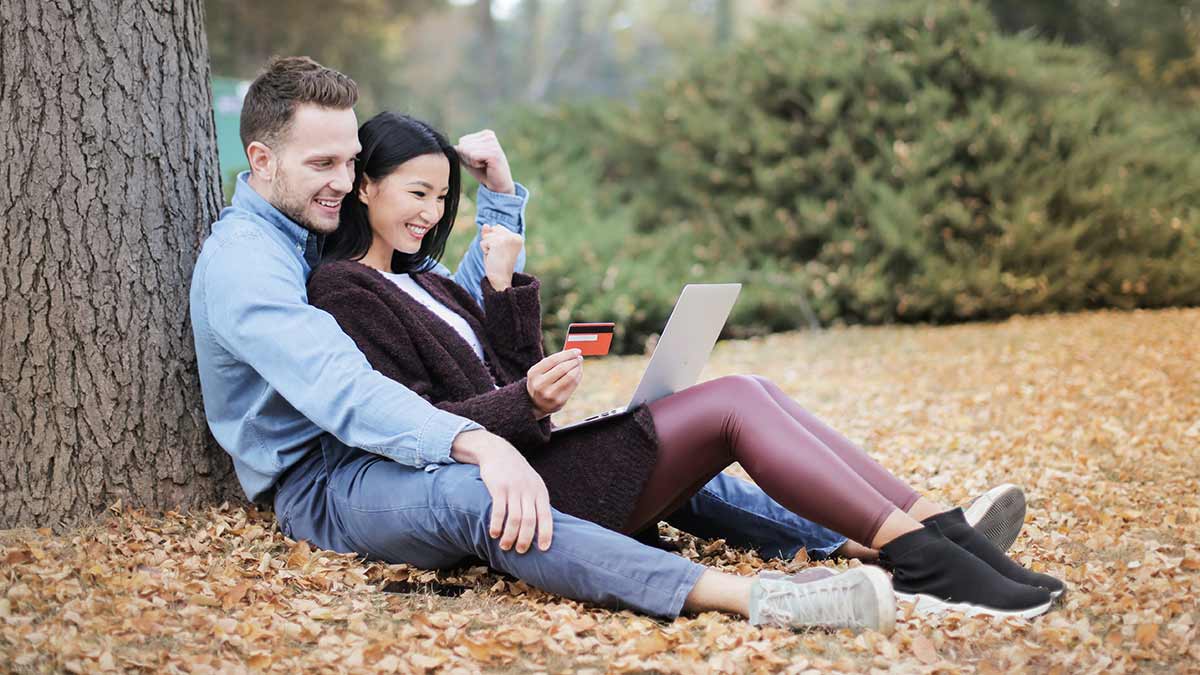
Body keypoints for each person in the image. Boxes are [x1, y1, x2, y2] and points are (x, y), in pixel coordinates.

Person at [190, 55, 900, 635]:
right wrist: (479, 440)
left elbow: (437, 305)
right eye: (324, 166)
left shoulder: (311, 226)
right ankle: (758, 599)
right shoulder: (249, 264)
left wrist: (498, 201)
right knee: (479, 495)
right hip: (325, 478)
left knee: (633, 443)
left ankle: (875, 537)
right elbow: (344, 388)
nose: (343, 184)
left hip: (382, 441)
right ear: (260, 159)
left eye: (349, 162)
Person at [306, 110, 1066, 620]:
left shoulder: (431, 281)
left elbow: (512, 374)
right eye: (417, 192)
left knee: (753, 388)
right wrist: (524, 401)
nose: (433, 212)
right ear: (365, 185)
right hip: (531, 495)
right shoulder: (345, 289)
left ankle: (936, 532)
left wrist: (508, 304)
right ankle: (926, 559)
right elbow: (407, 422)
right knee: (734, 399)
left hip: (539, 463)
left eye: (442, 195)